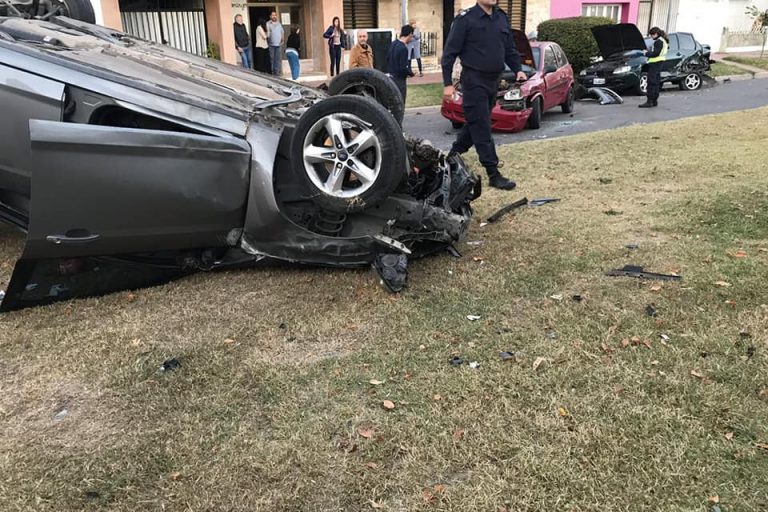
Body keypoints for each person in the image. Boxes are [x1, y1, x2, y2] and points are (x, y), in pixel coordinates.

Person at [441, 0, 526, 191]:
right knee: (482, 125)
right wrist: (447, 84)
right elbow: (449, 53)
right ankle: (493, 173)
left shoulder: (501, 17)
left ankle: (452, 156)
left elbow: (509, 49)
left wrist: (518, 69)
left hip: (493, 81)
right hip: (473, 80)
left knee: (476, 122)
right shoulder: (465, 20)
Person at [640, 26, 669, 108]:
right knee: (656, 82)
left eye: (652, 35)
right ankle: (654, 100)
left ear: (656, 34)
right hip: (660, 62)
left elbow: (655, 53)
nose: (651, 37)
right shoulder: (663, 41)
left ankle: (649, 101)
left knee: (651, 82)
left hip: (655, 62)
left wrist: (646, 53)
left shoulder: (658, 42)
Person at [387, 25, 415, 102]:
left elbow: (388, 59)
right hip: (399, 80)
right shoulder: (403, 48)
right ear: (410, 34)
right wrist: (411, 73)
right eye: (412, 36)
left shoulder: (393, 44)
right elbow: (402, 68)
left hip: (390, 77)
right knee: (400, 102)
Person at [266, 11, 284, 76]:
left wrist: (282, 39)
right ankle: (272, 72)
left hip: (278, 45)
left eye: (275, 15)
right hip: (271, 44)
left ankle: (278, 72)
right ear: (270, 16)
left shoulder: (279, 24)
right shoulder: (268, 23)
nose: (274, 16)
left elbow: (282, 32)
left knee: (278, 59)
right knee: (272, 59)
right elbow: (268, 33)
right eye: (273, 15)